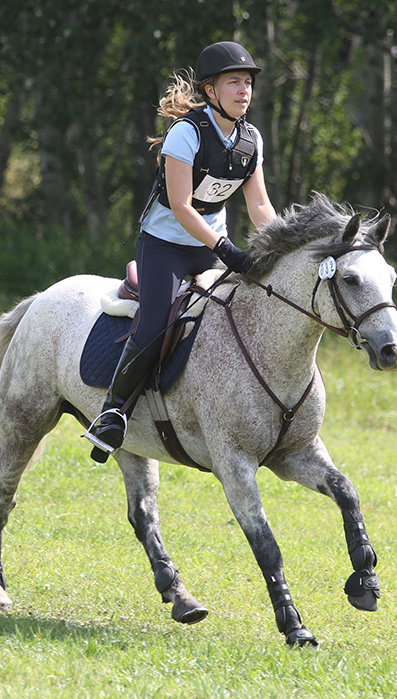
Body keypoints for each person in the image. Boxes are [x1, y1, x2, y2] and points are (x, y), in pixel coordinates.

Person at [84, 40, 277, 462]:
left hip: (211, 247)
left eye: (247, 83)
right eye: (234, 82)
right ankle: (112, 413)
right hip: (166, 247)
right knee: (155, 323)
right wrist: (226, 249)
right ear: (211, 91)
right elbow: (181, 206)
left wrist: (279, 248)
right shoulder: (186, 133)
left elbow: (260, 206)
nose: (244, 90)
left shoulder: (251, 139)